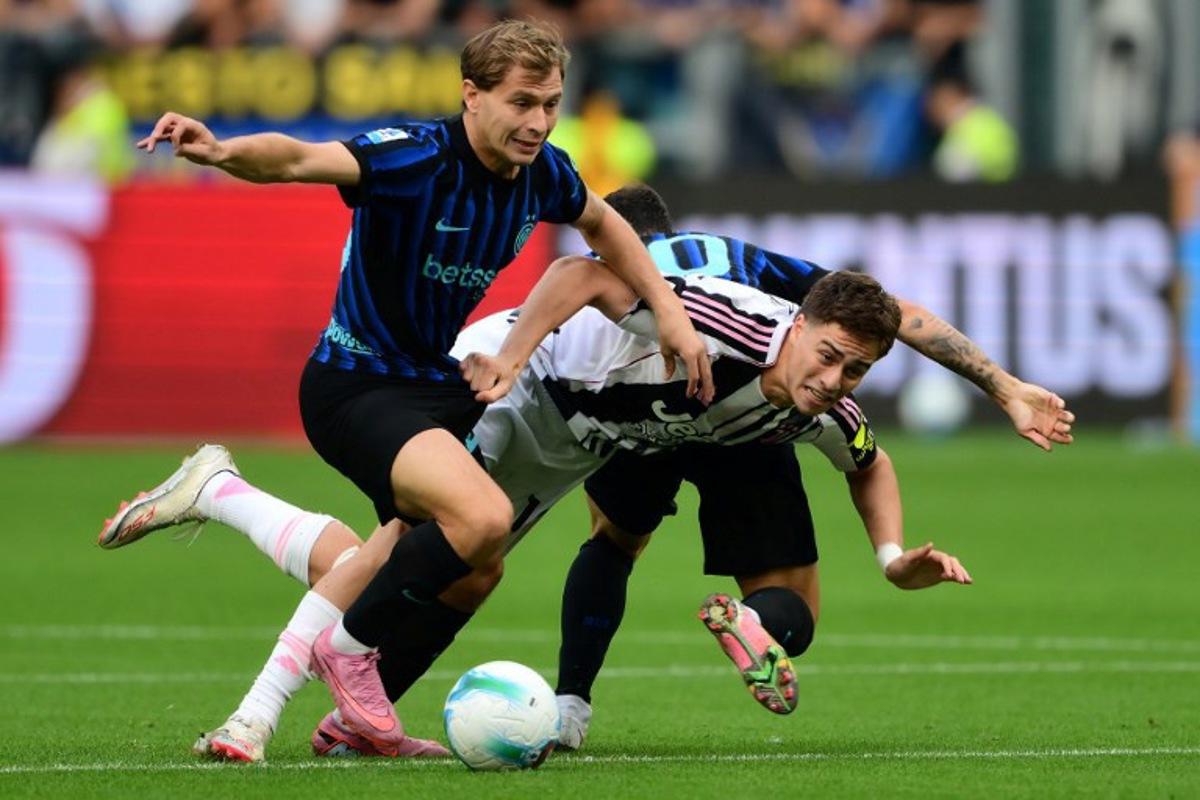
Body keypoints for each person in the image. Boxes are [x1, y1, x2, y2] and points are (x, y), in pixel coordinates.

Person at [126, 19, 712, 759]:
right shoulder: (414, 157)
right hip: (354, 385)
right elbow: (299, 158)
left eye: (551, 103)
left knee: (465, 570)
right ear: (472, 95)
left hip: (433, 386)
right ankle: (347, 650)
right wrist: (219, 151)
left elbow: (606, 225)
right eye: (522, 102)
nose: (537, 122)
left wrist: (669, 313)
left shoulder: (545, 171)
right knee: (482, 519)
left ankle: (318, 692)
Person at [103, 268, 970, 761]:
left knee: (462, 567)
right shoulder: (720, 317)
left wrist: (892, 557)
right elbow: (580, 273)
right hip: (507, 388)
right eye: (826, 356)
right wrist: (511, 357)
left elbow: (871, 461)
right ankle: (255, 716)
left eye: (855, 371)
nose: (833, 381)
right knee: (411, 545)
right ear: (798, 323)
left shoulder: (818, 403)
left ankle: (221, 495)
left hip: (570, 441)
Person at [548, 183, 1071, 748]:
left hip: (647, 408)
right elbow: (899, 316)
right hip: (757, 412)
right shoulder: (730, 255)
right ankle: (756, 622)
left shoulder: (609, 262)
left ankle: (570, 707)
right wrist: (1004, 387)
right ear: (670, 227)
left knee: (614, 542)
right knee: (795, 609)